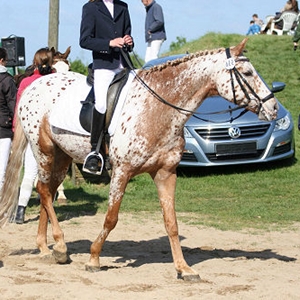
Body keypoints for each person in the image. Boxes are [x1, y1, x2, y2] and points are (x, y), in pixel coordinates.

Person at [79, 0, 134, 173]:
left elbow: (128, 37)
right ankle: (94, 151)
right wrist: (109, 43)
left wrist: (129, 41)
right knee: (102, 104)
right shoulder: (90, 8)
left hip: (124, 64)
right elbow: (85, 40)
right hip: (104, 65)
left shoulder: (123, 7)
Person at [14, 47, 54, 224]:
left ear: (35, 62)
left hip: (31, 133)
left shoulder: (26, 82)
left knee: (29, 172)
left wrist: (17, 129)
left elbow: (18, 110)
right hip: (52, 135)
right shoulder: (55, 82)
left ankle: (21, 210)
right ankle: (45, 206)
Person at [0, 47, 17, 192]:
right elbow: (13, 104)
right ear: (1, 61)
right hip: (3, 128)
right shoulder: (6, 80)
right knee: (2, 169)